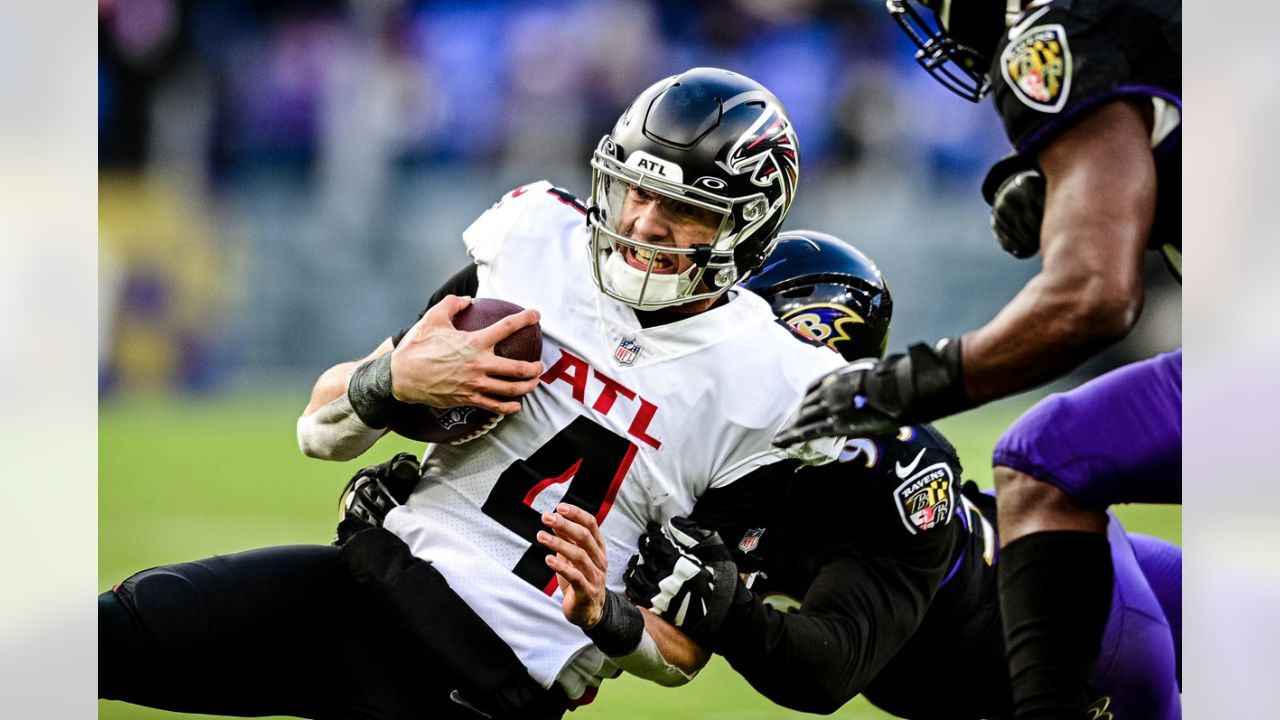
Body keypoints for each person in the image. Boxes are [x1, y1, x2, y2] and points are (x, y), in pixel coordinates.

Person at [99, 67, 847, 717]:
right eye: (633, 192)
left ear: (746, 227)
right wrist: (389, 383)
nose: (641, 224)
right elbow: (318, 431)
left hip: (480, 684)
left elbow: (684, 650)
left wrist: (605, 614)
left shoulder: (770, 384)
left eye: (683, 209)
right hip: (357, 585)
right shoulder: (535, 247)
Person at [542, 230, 1182, 719]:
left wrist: (731, 613)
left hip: (1098, 631)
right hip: (965, 669)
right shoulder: (710, 444)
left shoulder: (890, 469)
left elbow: (831, 666)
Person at [773, 2, 1181, 717]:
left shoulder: (1059, 26)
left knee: (1045, 455)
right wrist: (1142, 185)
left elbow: (1093, 298)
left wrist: (906, 384)